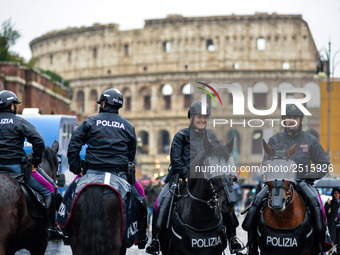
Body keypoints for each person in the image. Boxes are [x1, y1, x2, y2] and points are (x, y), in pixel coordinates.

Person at [145, 101, 243, 254]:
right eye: (199, 116)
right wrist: (186, 176)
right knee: (162, 200)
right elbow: (175, 159)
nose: (202, 120)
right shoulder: (181, 135)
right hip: (181, 178)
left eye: (205, 117)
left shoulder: (211, 135)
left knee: (225, 198)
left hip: (207, 178)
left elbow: (219, 153)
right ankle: (156, 240)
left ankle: (232, 238)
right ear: (191, 117)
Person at [242, 104, 330, 255]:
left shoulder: (310, 140)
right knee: (255, 204)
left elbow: (324, 165)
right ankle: (251, 249)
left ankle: (320, 248)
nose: (291, 121)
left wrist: (308, 175)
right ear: (283, 120)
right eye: (288, 118)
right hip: (277, 183)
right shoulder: (274, 139)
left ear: (300, 120)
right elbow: (265, 164)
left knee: (317, 205)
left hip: (302, 182)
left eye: (295, 118)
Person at [67, 88, 147, 248]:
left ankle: (62, 228)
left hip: (91, 172)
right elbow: (131, 155)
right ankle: (142, 236)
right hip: (119, 174)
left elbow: (74, 144)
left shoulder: (89, 122)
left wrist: (77, 168)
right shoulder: (128, 126)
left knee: (67, 197)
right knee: (141, 199)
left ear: (103, 103)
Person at [0, 89, 61, 240]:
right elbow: (38, 141)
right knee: (50, 190)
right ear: (12, 106)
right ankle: (50, 228)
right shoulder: (19, 121)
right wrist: (35, 162)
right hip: (16, 169)